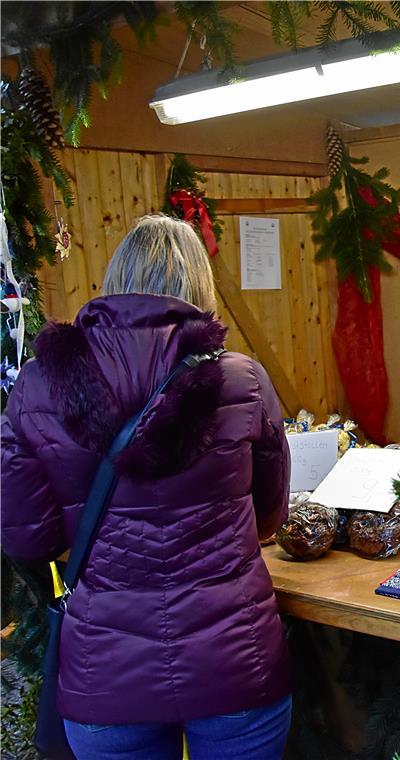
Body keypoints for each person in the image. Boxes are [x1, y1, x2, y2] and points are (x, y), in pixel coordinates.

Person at [1, 215, 292, 759]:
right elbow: (270, 514)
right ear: (199, 284)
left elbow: (25, 537)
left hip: (105, 671)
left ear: (116, 280)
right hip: (235, 661)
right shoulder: (240, 378)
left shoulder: (40, 383)